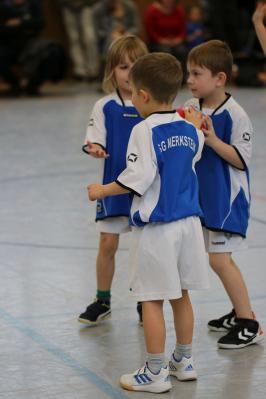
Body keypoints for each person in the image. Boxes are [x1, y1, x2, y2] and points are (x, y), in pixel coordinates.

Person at [87, 52, 209, 393]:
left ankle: (155, 372)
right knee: (181, 295)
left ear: (142, 95)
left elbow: (135, 179)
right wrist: (196, 123)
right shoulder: (188, 127)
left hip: (158, 229)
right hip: (189, 227)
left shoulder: (143, 129)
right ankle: (184, 362)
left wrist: (101, 190)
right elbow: (195, 151)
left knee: (152, 299)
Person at [185, 40, 264, 349]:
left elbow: (242, 159)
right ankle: (238, 311)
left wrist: (213, 139)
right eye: (188, 74)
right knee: (214, 259)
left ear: (219, 78)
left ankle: (250, 323)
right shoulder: (192, 108)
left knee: (220, 261)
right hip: (203, 199)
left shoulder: (236, 114)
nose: (189, 81)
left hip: (228, 201)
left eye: (196, 74)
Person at [78, 35, 148, 326]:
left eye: (135, 66)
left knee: (145, 247)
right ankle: (102, 299)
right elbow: (94, 139)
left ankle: (147, 301)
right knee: (107, 243)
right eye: (122, 66)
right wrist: (94, 148)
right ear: (111, 71)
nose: (129, 73)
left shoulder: (152, 105)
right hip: (113, 188)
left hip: (145, 190)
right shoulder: (104, 106)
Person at [59, 0, 99, 81]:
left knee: (89, 38)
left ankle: (93, 70)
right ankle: (80, 71)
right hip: (68, 6)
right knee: (74, 39)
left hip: (86, 5)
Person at [144, 0, 187, 75]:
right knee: (166, 51)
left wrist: (178, 39)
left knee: (182, 51)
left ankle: (181, 77)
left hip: (175, 41)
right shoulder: (152, 10)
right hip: (157, 42)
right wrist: (161, 40)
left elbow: (183, 29)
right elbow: (150, 31)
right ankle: (166, 76)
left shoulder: (179, 10)